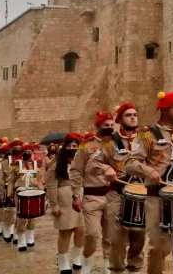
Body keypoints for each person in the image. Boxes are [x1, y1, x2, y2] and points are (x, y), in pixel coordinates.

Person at [126, 91, 173, 274]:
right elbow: (130, 163)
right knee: (158, 247)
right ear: (164, 110)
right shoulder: (147, 135)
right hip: (157, 197)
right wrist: (149, 171)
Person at [93, 102, 146, 273]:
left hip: (141, 193)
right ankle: (116, 269)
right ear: (120, 119)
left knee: (139, 237)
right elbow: (94, 162)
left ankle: (135, 267)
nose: (133, 117)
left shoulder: (146, 139)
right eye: (128, 115)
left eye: (135, 114)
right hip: (117, 193)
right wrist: (106, 167)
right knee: (117, 239)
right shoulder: (109, 142)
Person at [70, 111, 116, 274]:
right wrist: (76, 194)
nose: (110, 128)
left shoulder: (117, 144)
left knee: (110, 235)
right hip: (92, 196)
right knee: (91, 233)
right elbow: (76, 171)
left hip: (113, 196)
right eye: (106, 125)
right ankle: (87, 260)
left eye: (112, 125)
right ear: (98, 126)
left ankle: (107, 264)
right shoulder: (86, 145)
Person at [47, 133, 86, 274]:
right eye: (69, 146)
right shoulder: (57, 163)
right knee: (65, 232)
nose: (72, 148)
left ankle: (76, 256)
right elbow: (51, 185)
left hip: (80, 197)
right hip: (63, 199)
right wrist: (54, 204)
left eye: (75, 146)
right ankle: (63, 260)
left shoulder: (82, 160)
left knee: (81, 230)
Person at [8, 143, 43, 251]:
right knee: (21, 216)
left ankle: (30, 233)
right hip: (20, 191)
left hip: (33, 191)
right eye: (25, 151)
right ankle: (21, 238)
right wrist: (9, 191)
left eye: (30, 151)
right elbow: (11, 180)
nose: (28, 153)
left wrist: (41, 191)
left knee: (33, 216)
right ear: (22, 153)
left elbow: (39, 179)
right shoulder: (16, 164)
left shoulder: (36, 165)